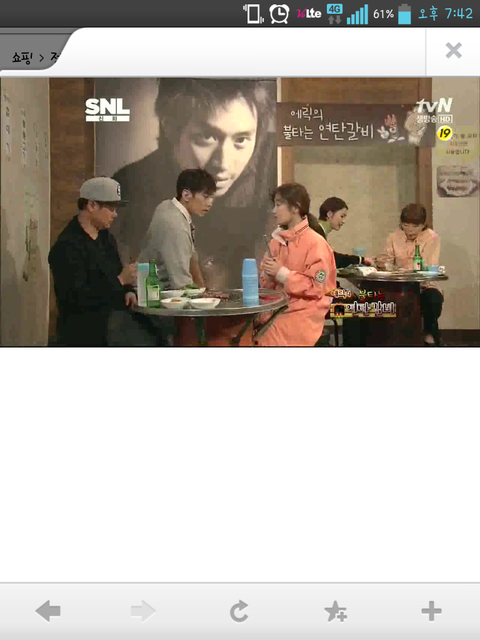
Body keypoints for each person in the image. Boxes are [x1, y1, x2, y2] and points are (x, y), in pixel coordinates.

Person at [110, 78, 276, 288]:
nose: (223, 163)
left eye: (241, 140)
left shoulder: (272, 164)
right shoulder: (130, 187)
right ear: (170, 127)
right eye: (206, 137)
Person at [48, 177, 154, 347]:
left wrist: (127, 291)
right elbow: (76, 298)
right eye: (111, 208)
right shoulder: (67, 246)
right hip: (82, 336)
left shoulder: (106, 237)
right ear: (92, 205)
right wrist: (120, 281)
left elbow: (116, 272)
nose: (115, 214)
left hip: (112, 327)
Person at [255, 183, 336, 347]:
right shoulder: (275, 242)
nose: (274, 211)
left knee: (265, 341)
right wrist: (268, 276)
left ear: (295, 207)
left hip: (303, 312)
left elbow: (316, 287)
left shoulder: (316, 243)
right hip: (275, 308)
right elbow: (264, 285)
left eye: (278, 204)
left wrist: (282, 274)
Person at [138, 169, 216, 290]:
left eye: (211, 197)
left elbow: (192, 259)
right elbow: (181, 282)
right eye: (205, 197)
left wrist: (202, 289)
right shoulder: (175, 225)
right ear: (186, 195)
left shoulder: (168, 206)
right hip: (155, 293)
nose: (210, 203)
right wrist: (202, 297)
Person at [378, 203, 444, 346]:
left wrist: (405, 269)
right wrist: (382, 263)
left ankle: (429, 336)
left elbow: (429, 265)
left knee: (433, 299)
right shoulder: (393, 237)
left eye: (415, 226)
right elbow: (385, 260)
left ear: (423, 225)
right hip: (398, 285)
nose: (409, 229)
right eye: (406, 225)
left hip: (424, 285)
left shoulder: (432, 237)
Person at [317, 197, 374, 267]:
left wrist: (361, 259)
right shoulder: (317, 233)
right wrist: (360, 260)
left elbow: (331, 256)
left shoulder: (318, 231)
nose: (343, 221)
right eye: (342, 216)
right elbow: (332, 259)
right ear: (329, 214)